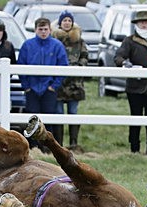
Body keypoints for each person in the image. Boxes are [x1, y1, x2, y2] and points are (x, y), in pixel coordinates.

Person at [115, 11, 147, 155]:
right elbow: (118, 56)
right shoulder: (129, 40)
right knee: (135, 117)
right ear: (136, 24)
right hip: (135, 87)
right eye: (141, 22)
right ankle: (134, 148)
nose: (144, 24)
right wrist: (125, 63)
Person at [18, 17, 69, 152]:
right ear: (35, 30)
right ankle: (33, 147)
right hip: (32, 88)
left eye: (45, 29)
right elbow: (20, 66)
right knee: (32, 119)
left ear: (50, 30)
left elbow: (63, 66)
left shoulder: (57, 46)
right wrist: (26, 86)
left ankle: (47, 148)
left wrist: (54, 86)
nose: (43, 32)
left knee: (48, 118)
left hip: (49, 88)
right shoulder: (27, 45)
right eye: (40, 29)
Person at [54, 10, 88, 151]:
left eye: (69, 20)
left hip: (75, 83)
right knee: (58, 113)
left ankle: (74, 143)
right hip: (59, 83)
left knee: (73, 113)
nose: (67, 23)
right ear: (60, 23)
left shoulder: (79, 40)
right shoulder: (54, 39)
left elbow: (85, 56)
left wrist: (80, 66)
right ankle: (58, 144)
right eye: (64, 20)